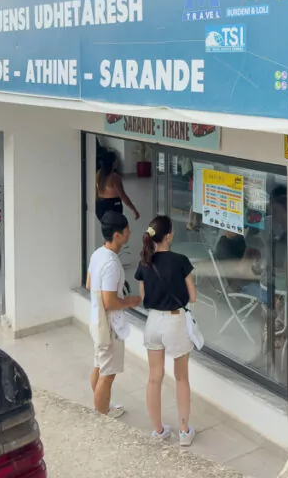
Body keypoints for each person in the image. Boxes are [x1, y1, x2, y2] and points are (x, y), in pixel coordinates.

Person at [134, 215, 198, 446]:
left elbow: (143, 297)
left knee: (154, 377)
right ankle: (183, 432)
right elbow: (193, 296)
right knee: (181, 378)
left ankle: (159, 430)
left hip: (153, 323)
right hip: (174, 321)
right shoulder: (181, 260)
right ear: (169, 235)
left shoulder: (145, 262)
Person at [86, 211, 141, 417]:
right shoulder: (111, 264)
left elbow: (90, 284)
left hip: (96, 320)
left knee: (99, 366)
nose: (130, 232)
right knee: (107, 375)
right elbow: (109, 302)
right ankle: (102, 416)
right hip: (109, 326)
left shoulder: (97, 254)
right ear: (117, 235)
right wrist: (130, 301)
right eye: (126, 230)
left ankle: (101, 406)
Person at [95, 150, 140, 222]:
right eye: (116, 160)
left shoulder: (98, 175)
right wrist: (133, 209)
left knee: (107, 229)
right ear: (113, 163)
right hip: (112, 206)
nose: (117, 162)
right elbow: (123, 196)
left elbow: (95, 191)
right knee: (116, 229)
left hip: (100, 206)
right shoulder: (115, 177)